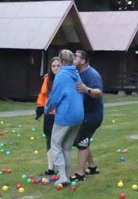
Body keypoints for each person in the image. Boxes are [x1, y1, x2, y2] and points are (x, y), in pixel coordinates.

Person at [44, 50, 84, 185]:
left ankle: (62, 176)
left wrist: (47, 109)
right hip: (78, 114)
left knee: (55, 144)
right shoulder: (76, 74)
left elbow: (55, 96)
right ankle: (66, 175)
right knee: (66, 146)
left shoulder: (61, 76)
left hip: (66, 115)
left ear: (61, 61)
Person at [72, 49, 104, 181]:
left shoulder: (92, 74)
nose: (73, 59)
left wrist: (87, 90)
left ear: (83, 61)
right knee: (83, 140)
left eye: (75, 57)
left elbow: (98, 92)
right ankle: (92, 167)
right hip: (85, 115)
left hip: (93, 116)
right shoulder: (79, 73)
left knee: (82, 142)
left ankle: (80, 174)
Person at [35, 55, 62, 176]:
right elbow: (43, 94)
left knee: (59, 142)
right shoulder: (47, 79)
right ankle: (50, 167)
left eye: (58, 66)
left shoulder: (64, 79)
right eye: (53, 66)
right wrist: (40, 107)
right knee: (48, 140)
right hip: (49, 114)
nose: (56, 68)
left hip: (61, 115)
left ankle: (61, 167)